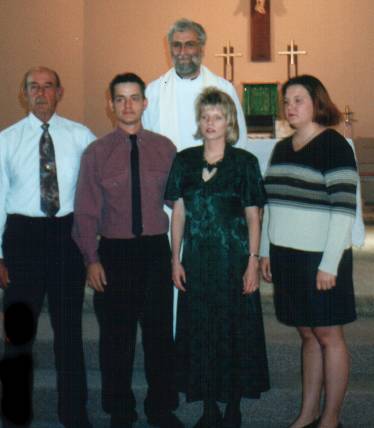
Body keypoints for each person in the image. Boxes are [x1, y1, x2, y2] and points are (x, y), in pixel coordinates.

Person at [73, 73, 183, 428]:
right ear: (110, 104)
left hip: (154, 252)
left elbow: (178, 201)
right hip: (115, 254)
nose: (128, 105)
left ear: (145, 103)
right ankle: (120, 410)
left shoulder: (165, 149)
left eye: (134, 98)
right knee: (116, 340)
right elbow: (86, 212)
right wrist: (92, 260)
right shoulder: (97, 153)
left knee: (159, 336)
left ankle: (161, 408)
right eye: (120, 98)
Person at [166, 87, 270, 428]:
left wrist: (253, 260)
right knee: (201, 331)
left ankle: (234, 407)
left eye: (218, 117)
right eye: (205, 117)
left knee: (234, 330)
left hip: (233, 259)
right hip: (196, 260)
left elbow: (254, 217)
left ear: (229, 122)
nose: (211, 123)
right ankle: (209, 407)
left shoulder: (245, 163)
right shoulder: (184, 160)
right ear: (199, 121)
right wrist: (175, 258)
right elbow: (178, 213)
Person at [260, 75, 358, 428]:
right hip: (287, 257)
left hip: (320, 260)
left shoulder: (334, 145)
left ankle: (330, 418)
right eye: (286, 101)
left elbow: (344, 210)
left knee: (328, 335)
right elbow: (271, 203)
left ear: (318, 102)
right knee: (307, 333)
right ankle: (307, 414)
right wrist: (263, 251)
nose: (290, 107)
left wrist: (329, 264)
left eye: (298, 100)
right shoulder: (282, 148)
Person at [0, 66, 95, 428]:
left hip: (65, 237)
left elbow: (89, 199)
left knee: (69, 331)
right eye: (33, 87)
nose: (40, 93)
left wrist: (90, 250)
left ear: (61, 91)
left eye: (48, 86)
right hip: (22, 238)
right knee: (19, 332)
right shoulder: (5, 140)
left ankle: (74, 414)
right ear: (24, 93)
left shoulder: (81, 137)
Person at [142, 18, 248, 152]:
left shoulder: (224, 89)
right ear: (170, 49)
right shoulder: (153, 92)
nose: (182, 52)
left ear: (202, 49)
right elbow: (145, 143)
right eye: (176, 45)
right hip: (169, 171)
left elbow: (239, 141)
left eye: (189, 45)